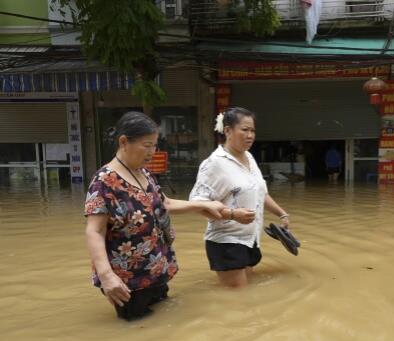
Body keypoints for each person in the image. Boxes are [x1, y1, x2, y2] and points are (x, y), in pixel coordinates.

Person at [84, 111, 225, 320]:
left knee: (161, 321)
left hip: (156, 269)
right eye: (147, 145)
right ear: (124, 142)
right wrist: (107, 276)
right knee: (136, 329)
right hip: (127, 280)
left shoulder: (144, 173)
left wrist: (203, 206)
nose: (152, 152)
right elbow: (94, 231)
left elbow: (164, 203)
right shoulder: (104, 182)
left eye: (155, 145)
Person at [189, 107, 291, 288]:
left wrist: (281, 213)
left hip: (250, 239)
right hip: (226, 242)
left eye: (252, 130)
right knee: (238, 302)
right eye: (244, 130)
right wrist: (232, 214)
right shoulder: (214, 164)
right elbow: (197, 203)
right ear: (227, 130)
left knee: (245, 298)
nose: (250, 135)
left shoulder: (249, 158)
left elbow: (261, 193)